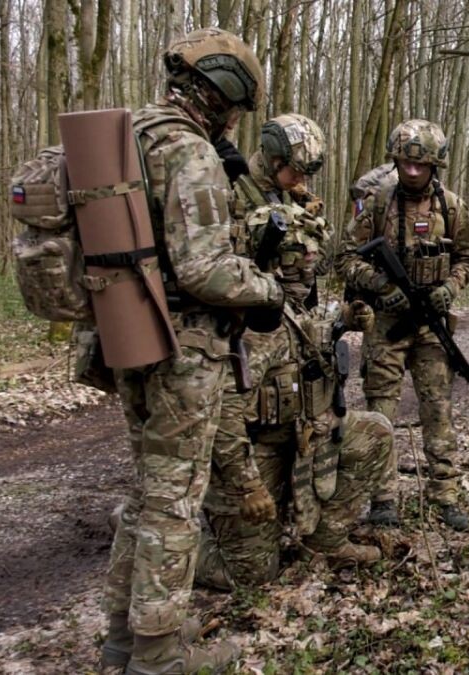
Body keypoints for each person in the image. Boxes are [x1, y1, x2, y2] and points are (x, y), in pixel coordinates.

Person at [100, 28, 287, 675]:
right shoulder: (191, 152)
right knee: (175, 500)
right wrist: (266, 288)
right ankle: (158, 657)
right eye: (237, 105)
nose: (236, 119)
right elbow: (204, 269)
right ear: (224, 94)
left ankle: (121, 640)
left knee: (147, 493)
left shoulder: (132, 135)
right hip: (184, 349)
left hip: (128, 334)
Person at [194, 113, 395, 593]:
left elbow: (307, 330)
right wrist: (246, 484)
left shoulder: (292, 210)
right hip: (253, 447)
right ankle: (160, 536)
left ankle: (324, 540)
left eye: (310, 261)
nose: (306, 267)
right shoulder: (232, 207)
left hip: (303, 431)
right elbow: (222, 412)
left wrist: (345, 318)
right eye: (296, 170)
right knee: (250, 574)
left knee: (374, 433)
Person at [335, 119, 469, 531]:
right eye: (405, 164)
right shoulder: (376, 202)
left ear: (435, 165)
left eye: (421, 165)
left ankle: (445, 493)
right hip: (386, 322)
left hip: (432, 324)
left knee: (438, 409)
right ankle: (382, 499)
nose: (412, 171)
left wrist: (450, 287)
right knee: (381, 410)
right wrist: (380, 284)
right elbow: (345, 258)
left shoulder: (452, 207)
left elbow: (468, 259)